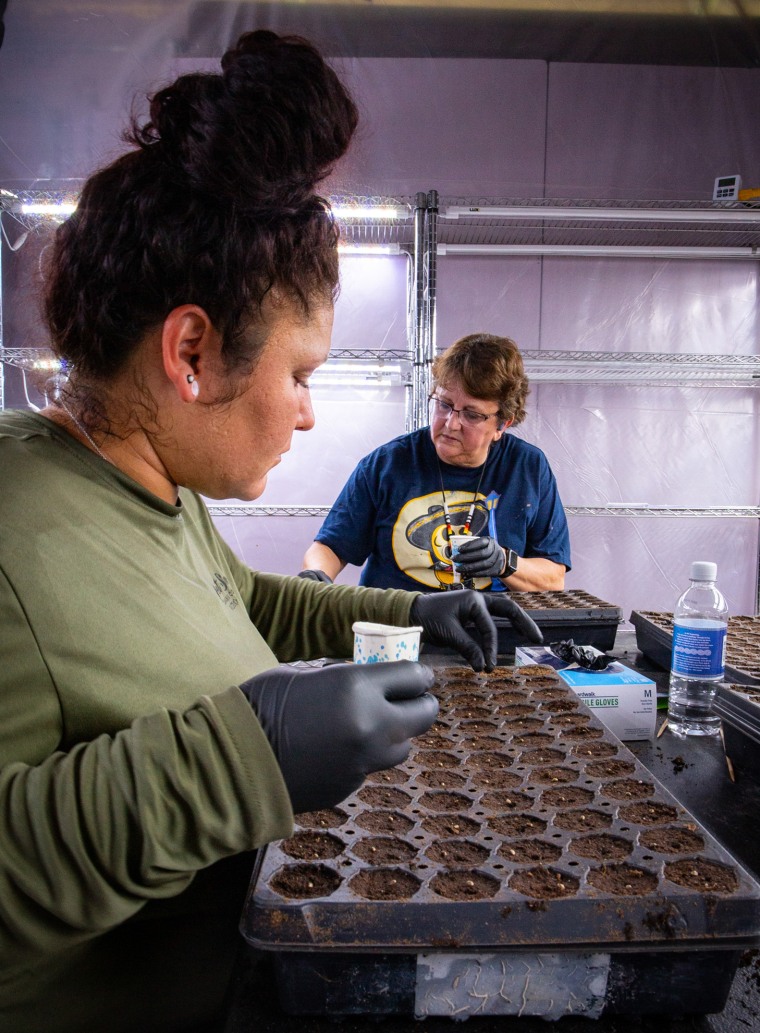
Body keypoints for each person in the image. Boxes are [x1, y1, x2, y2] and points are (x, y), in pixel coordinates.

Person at [0, 30, 542, 1033]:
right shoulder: (11, 517)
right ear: (193, 350)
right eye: (299, 372)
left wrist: (408, 612)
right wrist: (248, 749)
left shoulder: (160, 491)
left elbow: (236, 599)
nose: (304, 412)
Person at [302, 333, 571, 592]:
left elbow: (553, 578)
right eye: (444, 404)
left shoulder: (527, 468)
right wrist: (314, 577)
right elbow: (330, 548)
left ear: (503, 424)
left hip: (488, 630)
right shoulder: (388, 464)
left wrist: (504, 562)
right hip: (398, 628)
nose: (451, 424)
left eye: (472, 415)